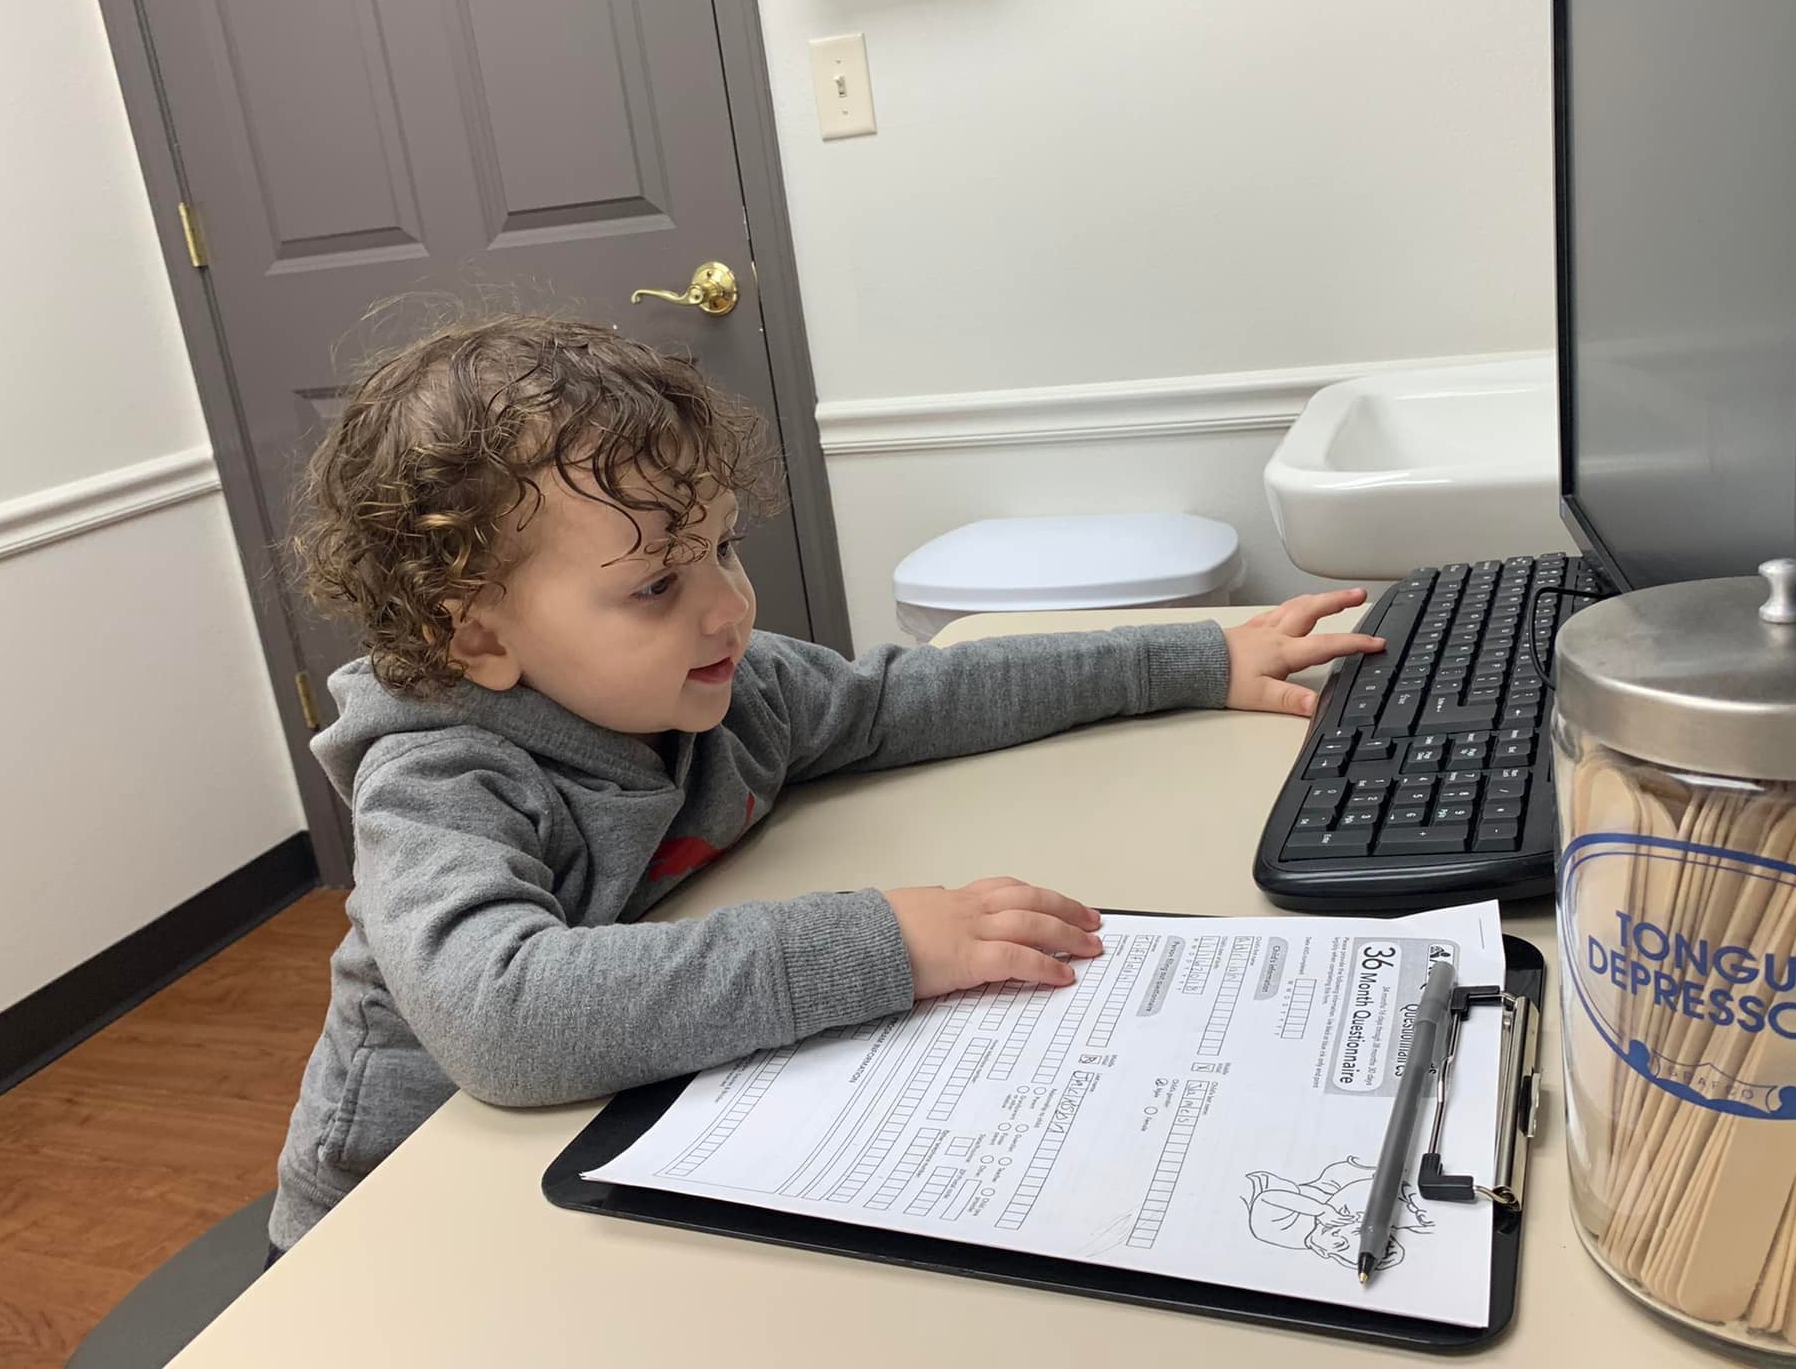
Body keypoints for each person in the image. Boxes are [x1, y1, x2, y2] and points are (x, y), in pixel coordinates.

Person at [266, 313, 1382, 1259]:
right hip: (402, 1211)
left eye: (724, 549)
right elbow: (501, 1020)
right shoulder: (439, 774)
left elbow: (910, 698)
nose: (726, 609)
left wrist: (1195, 659)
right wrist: (883, 942)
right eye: (656, 582)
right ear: (476, 635)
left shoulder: (726, 687)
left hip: (608, 1142)